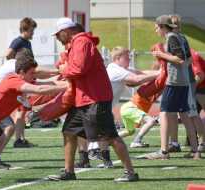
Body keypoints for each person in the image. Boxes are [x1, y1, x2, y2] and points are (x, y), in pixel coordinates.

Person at [48, 17, 139, 182]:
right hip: (83, 99)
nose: (57, 38)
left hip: (94, 99)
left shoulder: (82, 42)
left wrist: (64, 68)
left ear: (66, 31)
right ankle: (69, 172)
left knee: (110, 136)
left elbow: (78, 69)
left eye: (58, 34)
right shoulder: (77, 43)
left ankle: (131, 173)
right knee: (69, 132)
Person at [0, 53, 67, 184]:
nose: (34, 75)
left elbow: (48, 83)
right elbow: (39, 89)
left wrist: (69, 79)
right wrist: (67, 86)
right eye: (32, 73)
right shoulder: (14, 79)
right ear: (21, 72)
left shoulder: (25, 81)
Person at [145, 15, 199, 159]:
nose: (156, 30)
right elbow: (188, 60)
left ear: (163, 26)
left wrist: (161, 54)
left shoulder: (171, 38)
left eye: (157, 27)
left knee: (163, 113)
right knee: (185, 115)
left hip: (174, 82)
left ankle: (163, 152)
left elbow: (179, 59)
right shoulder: (181, 37)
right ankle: (195, 151)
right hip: (184, 81)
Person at [4, 17, 37, 148]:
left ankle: (21, 138)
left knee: (24, 110)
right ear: (25, 29)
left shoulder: (27, 42)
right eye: (31, 30)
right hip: (20, 80)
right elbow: (8, 54)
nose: (33, 33)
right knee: (21, 110)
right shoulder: (18, 41)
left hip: (26, 78)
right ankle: (18, 139)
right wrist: (18, 68)